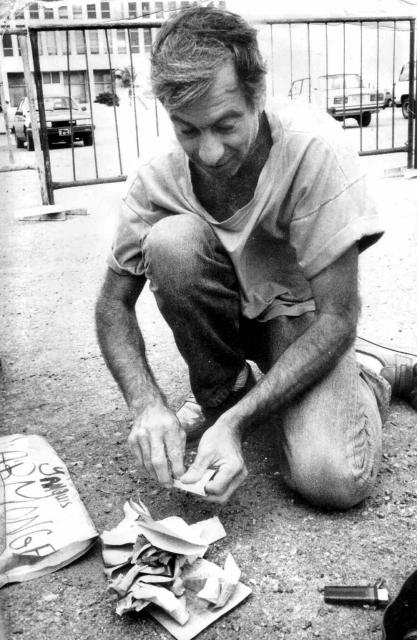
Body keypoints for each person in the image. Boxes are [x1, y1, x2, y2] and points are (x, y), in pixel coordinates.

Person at [95, 6, 417, 509]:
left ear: (258, 95)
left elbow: (337, 317)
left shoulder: (314, 153)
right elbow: (113, 305)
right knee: (171, 243)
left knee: (332, 480)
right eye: (187, 130)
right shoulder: (157, 177)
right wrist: (146, 404)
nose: (209, 153)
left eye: (226, 125)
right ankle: (227, 394)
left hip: (302, 321)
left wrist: (235, 426)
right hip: (236, 322)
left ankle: (371, 370)